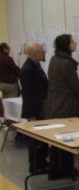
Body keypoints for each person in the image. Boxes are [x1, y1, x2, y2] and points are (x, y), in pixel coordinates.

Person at [45, 34, 79, 180]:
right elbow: (75, 85)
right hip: (66, 106)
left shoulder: (54, 59)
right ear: (66, 45)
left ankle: (56, 169)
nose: (75, 43)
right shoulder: (67, 63)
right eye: (72, 41)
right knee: (69, 139)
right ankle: (67, 169)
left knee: (58, 141)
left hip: (54, 104)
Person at [19, 44, 48, 173]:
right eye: (42, 52)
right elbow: (28, 94)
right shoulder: (27, 69)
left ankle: (42, 161)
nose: (44, 54)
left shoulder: (36, 66)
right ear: (35, 54)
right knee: (36, 139)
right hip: (35, 110)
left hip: (41, 107)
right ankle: (36, 165)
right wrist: (31, 115)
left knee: (42, 138)